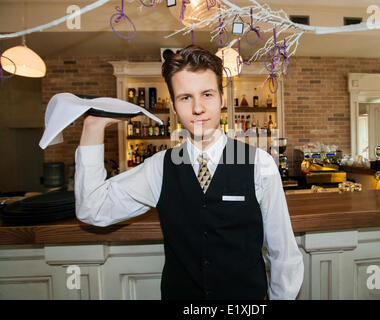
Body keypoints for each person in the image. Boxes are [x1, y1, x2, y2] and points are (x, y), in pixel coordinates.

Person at [75, 45, 303, 300]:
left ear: (222, 98)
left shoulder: (260, 165)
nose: (197, 108)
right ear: (173, 105)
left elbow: (283, 252)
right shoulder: (159, 167)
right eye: (185, 97)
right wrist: (93, 127)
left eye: (207, 94)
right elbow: (92, 210)